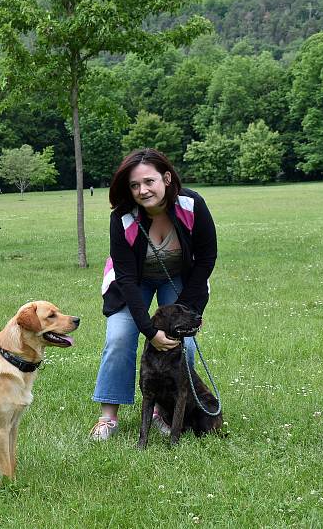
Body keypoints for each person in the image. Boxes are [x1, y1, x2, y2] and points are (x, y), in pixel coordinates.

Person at [90, 148, 217, 441]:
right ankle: (108, 417)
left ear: (167, 178)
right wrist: (149, 330)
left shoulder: (192, 204)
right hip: (132, 281)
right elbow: (126, 278)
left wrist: (187, 311)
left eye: (149, 182)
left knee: (183, 345)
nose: (142, 190)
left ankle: (165, 410)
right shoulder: (122, 217)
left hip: (178, 277)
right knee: (119, 338)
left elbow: (207, 258)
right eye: (135, 185)